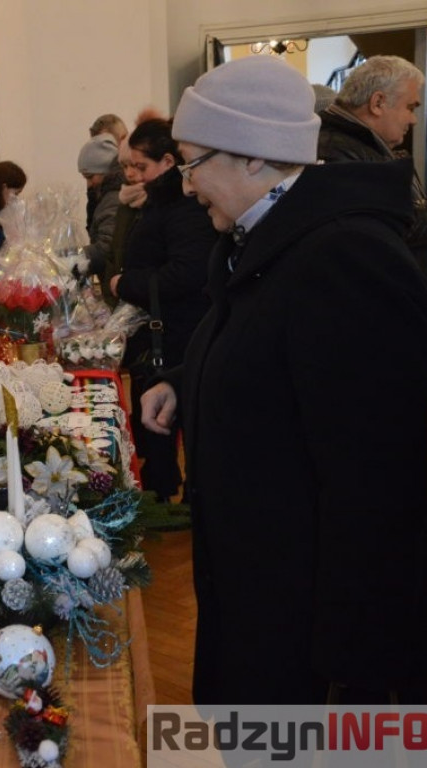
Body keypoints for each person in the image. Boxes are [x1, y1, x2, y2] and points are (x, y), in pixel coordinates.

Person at [142, 55, 427, 704]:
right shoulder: (269, 240)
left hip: (307, 636)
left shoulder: (344, 257)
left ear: (252, 157)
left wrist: (352, 657)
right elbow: (271, 355)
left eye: (192, 162)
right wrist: (186, 382)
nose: (186, 186)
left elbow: (382, 476)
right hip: (257, 594)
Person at [109, 117, 217, 502]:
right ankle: (161, 491)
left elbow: (187, 272)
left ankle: (183, 500)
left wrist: (126, 284)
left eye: (141, 166)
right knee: (156, 419)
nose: (132, 174)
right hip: (159, 330)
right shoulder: (155, 201)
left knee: (174, 416)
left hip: (176, 331)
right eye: (129, 165)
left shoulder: (184, 206)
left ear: (170, 162)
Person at [317, 55, 427, 270]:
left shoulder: (361, 147)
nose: (413, 119)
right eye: (410, 107)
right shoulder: (335, 151)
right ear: (378, 103)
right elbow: (386, 227)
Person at [75, 133, 121, 276]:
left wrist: (70, 259)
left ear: (105, 170)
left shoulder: (113, 198)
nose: (89, 184)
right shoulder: (106, 195)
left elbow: (106, 248)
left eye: (90, 177)